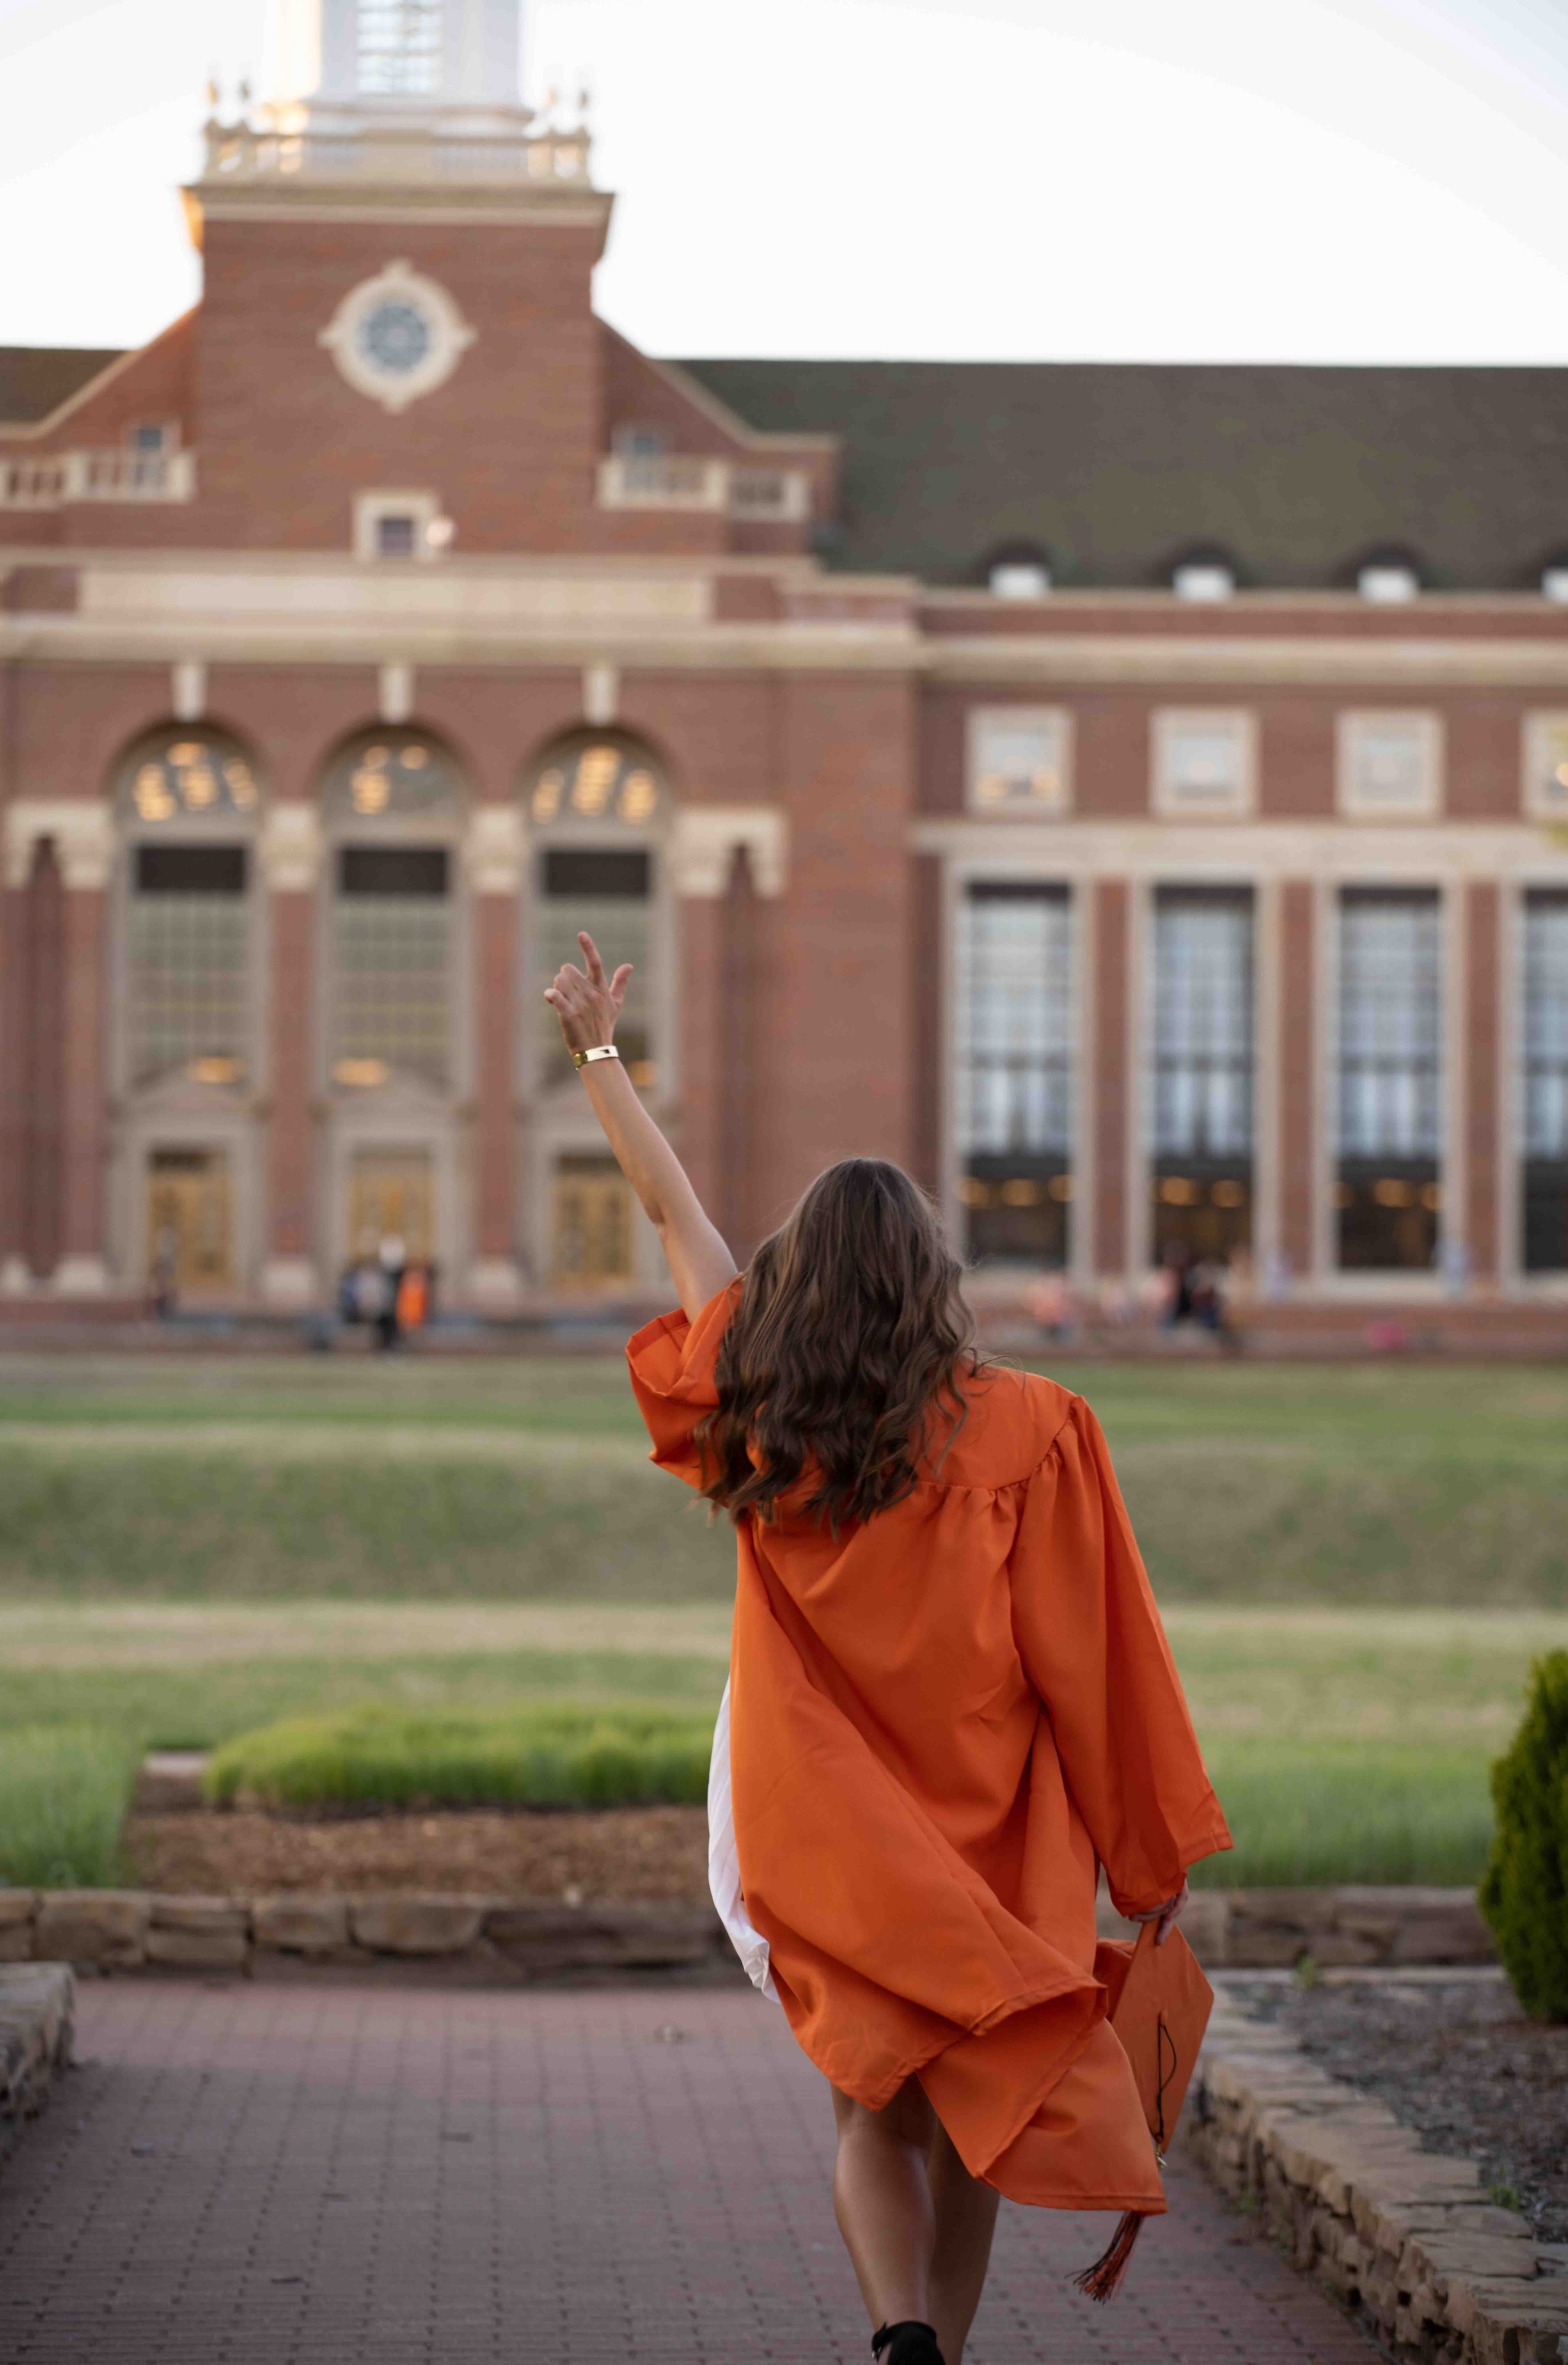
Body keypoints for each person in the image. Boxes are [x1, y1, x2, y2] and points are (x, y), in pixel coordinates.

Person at [546, 932, 1232, 2365]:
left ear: (800, 1280)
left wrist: (599, 1053)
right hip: (990, 1820)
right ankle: (943, 2358)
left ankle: (897, 2335)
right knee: (981, 2104)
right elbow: (1094, 1653)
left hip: (821, 1818)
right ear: (932, 1278)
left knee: (872, 2110)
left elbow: (672, 1211)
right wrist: (1145, 1854)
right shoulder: (1031, 1429)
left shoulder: (755, 1405)